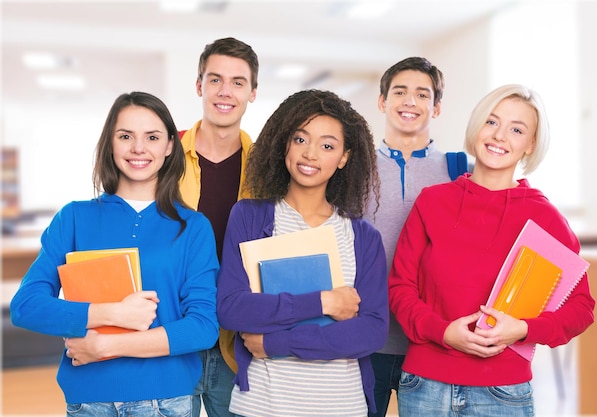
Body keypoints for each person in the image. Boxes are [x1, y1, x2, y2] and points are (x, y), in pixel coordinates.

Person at [388, 84, 595, 416]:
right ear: (478, 127)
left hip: (502, 393)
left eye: (516, 129)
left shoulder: (544, 217)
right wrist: (441, 332)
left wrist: (524, 329)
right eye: (492, 122)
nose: (500, 136)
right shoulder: (432, 201)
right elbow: (400, 288)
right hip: (425, 386)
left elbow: (582, 308)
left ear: (529, 145)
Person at [10, 91, 220, 416]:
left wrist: (106, 346)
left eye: (152, 137)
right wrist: (111, 313)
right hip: (88, 403)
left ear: (168, 147)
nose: (139, 148)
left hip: (165, 403)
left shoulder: (192, 227)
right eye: (126, 136)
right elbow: (25, 306)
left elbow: (203, 326)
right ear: (110, 143)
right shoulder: (74, 218)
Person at [216, 89, 389, 416]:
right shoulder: (250, 217)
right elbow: (232, 309)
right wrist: (324, 302)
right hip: (262, 407)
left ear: (344, 158)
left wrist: (275, 343)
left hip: (342, 407)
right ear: (284, 144)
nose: (310, 154)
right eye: (300, 139)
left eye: (327, 145)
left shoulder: (363, 237)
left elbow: (371, 331)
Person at [363, 56, 469, 417]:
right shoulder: (354, 167)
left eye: (422, 94)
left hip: (430, 343)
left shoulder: (459, 171)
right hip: (366, 339)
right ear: (382, 102)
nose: (410, 101)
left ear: (436, 108)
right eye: (400, 92)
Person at [178, 37, 258, 417]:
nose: (226, 92)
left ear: (252, 93)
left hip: (236, 341)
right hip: (173, 335)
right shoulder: (163, 156)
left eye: (238, 82)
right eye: (215, 80)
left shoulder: (267, 169)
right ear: (199, 86)